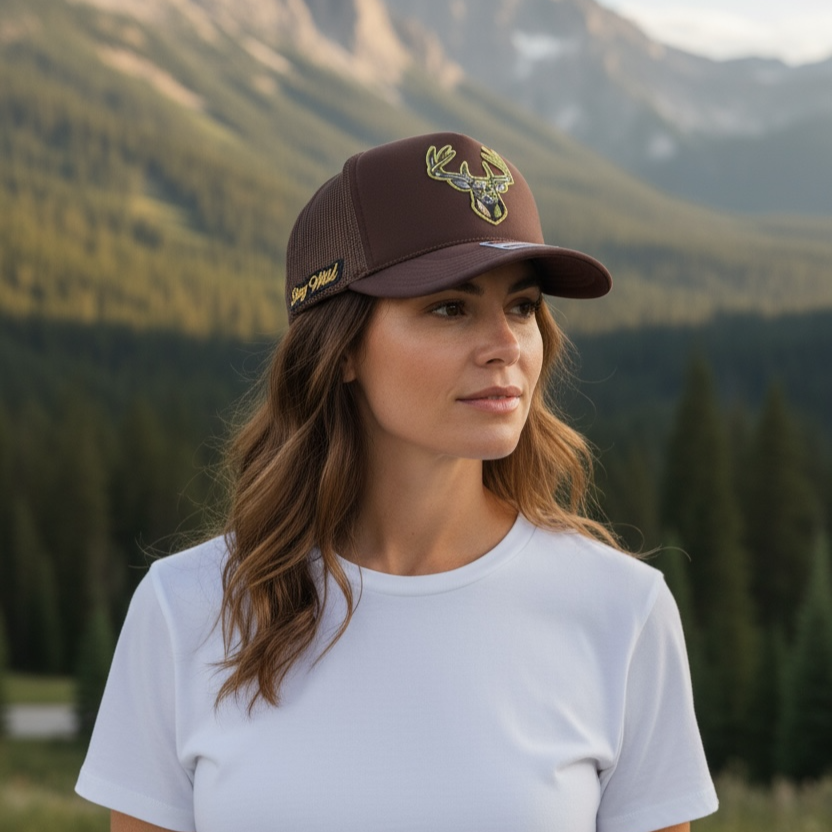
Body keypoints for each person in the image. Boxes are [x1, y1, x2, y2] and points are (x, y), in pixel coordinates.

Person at [76, 132, 719, 832]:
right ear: (341, 347)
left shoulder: (620, 611)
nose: (506, 345)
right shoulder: (187, 609)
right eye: (450, 308)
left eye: (523, 306)